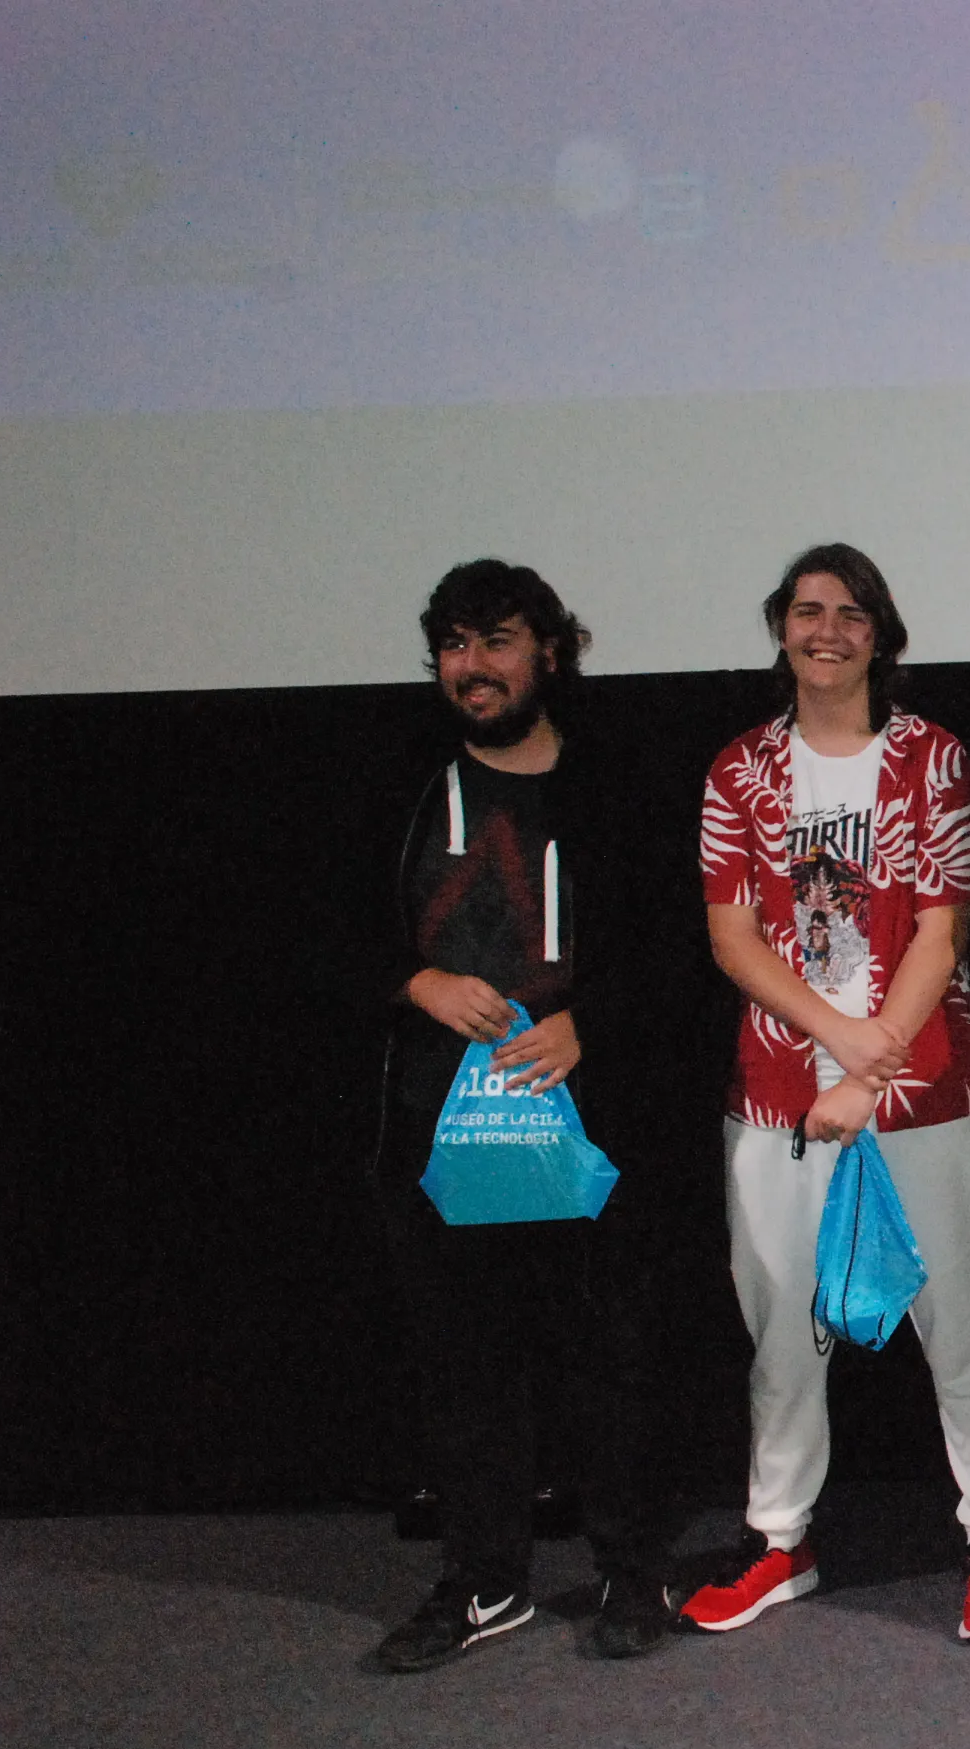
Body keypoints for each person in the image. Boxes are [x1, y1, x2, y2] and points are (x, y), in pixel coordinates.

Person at [687, 544, 970, 1645]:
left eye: (848, 614)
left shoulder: (933, 759)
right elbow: (732, 936)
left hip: (931, 1090)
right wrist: (837, 1046)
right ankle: (778, 1539)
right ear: (780, 628)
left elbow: (944, 928)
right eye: (806, 611)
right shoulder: (740, 770)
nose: (825, 632)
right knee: (782, 1331)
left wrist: (870, 1067)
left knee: (964, 1323)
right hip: (781, 1093)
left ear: (880, 635)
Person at [368, 559, 675, 1671]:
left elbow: (679, 946)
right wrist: (418, 984)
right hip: (437, 1130)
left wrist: (590, 1025)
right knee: (466, 1366)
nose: (473, 666)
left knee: (610, 1358)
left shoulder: (616, 787)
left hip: (581, 1126)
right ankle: (483, 1580)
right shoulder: (401, 783)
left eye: (496, 641)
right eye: (454, 646)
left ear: (549, 650)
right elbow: (318, 931)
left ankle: (630, 1569)